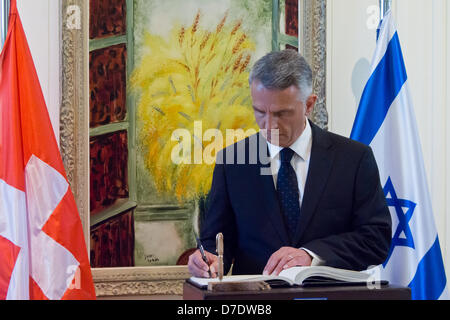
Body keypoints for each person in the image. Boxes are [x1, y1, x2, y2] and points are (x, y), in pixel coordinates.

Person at [188, 49, 391, 278]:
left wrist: (311, 255)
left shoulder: (354, 159)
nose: (269, 124)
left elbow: (376, 239)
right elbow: (217, 242)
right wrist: (208, 260)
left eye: (281, 113)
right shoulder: (231, 162)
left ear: (309, 105)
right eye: (259, 112)